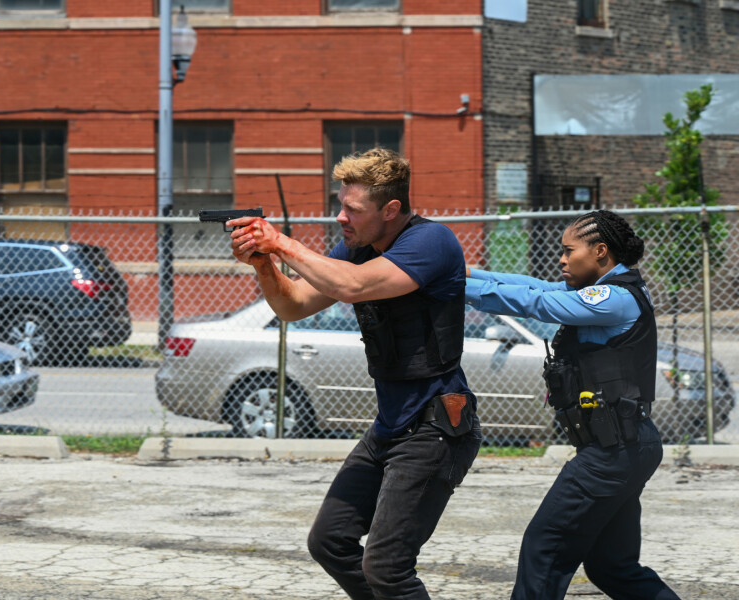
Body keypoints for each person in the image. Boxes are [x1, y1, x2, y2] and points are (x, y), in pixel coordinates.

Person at [227, 147, 482, 599]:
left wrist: (280, 242)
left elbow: (352, 285)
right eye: (340, 204)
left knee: (387, 568)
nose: (341, 217)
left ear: (391, 209)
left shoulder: (431, 242)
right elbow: (293, 305)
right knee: (330, 541)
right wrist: (264, 262)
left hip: (435, 429)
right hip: (390, 426)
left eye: (353, 209)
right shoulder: (357, 247)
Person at [465, 210, 681, 600]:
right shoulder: (610, 290)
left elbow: (537, 303)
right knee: (612, 566)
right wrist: (465, 273)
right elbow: (534, 286)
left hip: (613, 452)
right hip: (625, 446)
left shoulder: (615, 298)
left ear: (600, 251)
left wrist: (448, 285)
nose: (562, 260)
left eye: (569, 251)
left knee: (544, 548)